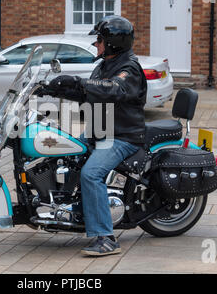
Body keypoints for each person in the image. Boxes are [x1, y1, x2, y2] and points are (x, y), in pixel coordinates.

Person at [40, 15, 147, 256]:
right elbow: (92, 93)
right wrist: (55, 89)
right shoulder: (105, 64)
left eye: (99, 40)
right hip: (101, 131)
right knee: (66, 156)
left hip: (122, 136)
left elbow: (114, 90)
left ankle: (105, 238)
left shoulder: (129, 68)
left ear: (112, 43)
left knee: (91, 174)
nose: (95, 44)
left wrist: (78, 81)